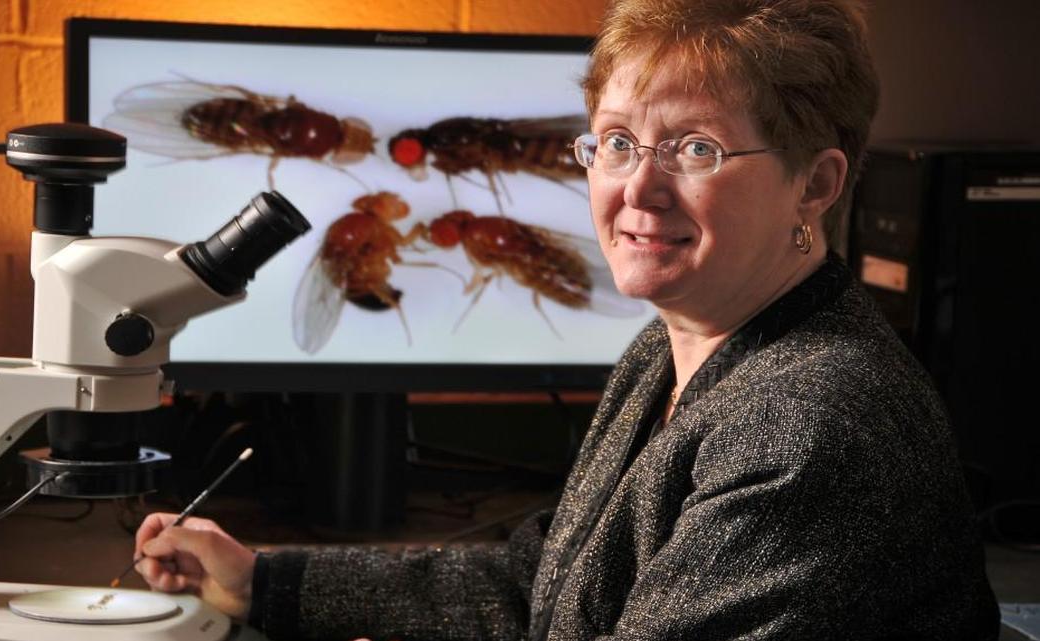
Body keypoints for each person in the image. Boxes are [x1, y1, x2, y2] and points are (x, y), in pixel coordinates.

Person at [134, 0, 1001, 638]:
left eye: (696, 148)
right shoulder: (678, 347)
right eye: (617, 141)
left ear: (815, 183)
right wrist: (267, 584)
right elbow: (547, 587)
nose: (637, 189)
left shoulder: (807, 427)